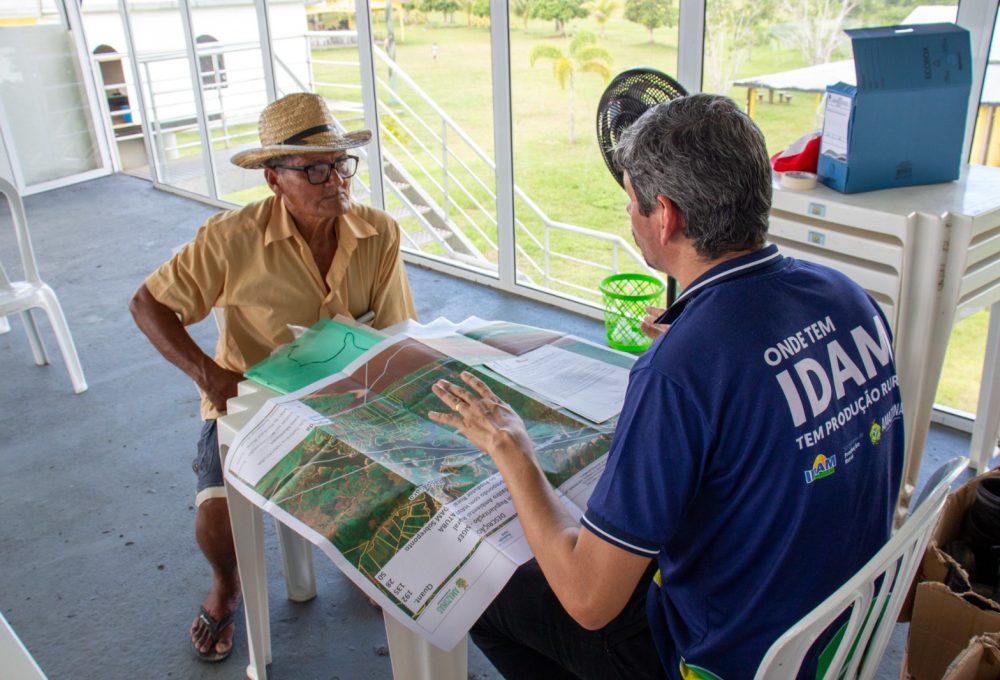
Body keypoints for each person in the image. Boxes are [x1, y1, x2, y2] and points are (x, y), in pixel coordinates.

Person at [428, 94, 903, 679]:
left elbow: (589, 600)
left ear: (666, 215)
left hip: (728, 659)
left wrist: (513, 449)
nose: (629, 215)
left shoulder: (680, 369)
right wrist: (689, 340)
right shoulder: (848, 296)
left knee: (476, 584)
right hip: (837, 627)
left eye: (630, 201)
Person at [129, 92, 417, 662]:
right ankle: (227, 586)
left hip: (346, 396)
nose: (335, 179)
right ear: (273, 179)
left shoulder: (378, 233)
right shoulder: (229, 239)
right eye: (313, 168)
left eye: (341, 163)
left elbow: (396, 333)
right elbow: (147, 305)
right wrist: (210, 376)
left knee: (408, 477)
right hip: (246, 399)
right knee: (216, 515)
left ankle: (368, 561)